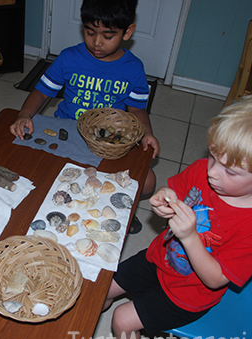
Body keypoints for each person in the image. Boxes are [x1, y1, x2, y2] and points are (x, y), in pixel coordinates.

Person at [82, 94, 252, 339]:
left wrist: (190, 237)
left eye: (231, 171)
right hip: (160, 258)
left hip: (190, 293)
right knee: (103, 287)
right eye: (214, 156)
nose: (213, 172)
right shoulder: (204, 171)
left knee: (122, 318)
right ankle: (85, 323)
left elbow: (215, 280)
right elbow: (178, 190)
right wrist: (165, 197)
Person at [10, 0, 158, 233]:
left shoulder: (133, 68)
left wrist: (147, 133)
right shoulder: (69, 58)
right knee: (40, 171)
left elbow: (137, 110)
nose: (97, 42)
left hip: (109, 141)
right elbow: (42, 90)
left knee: (148, 182)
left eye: (108, 36)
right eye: (90, 32)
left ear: (127, 31)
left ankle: (122, 207)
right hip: (68, 131)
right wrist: (25, 114)